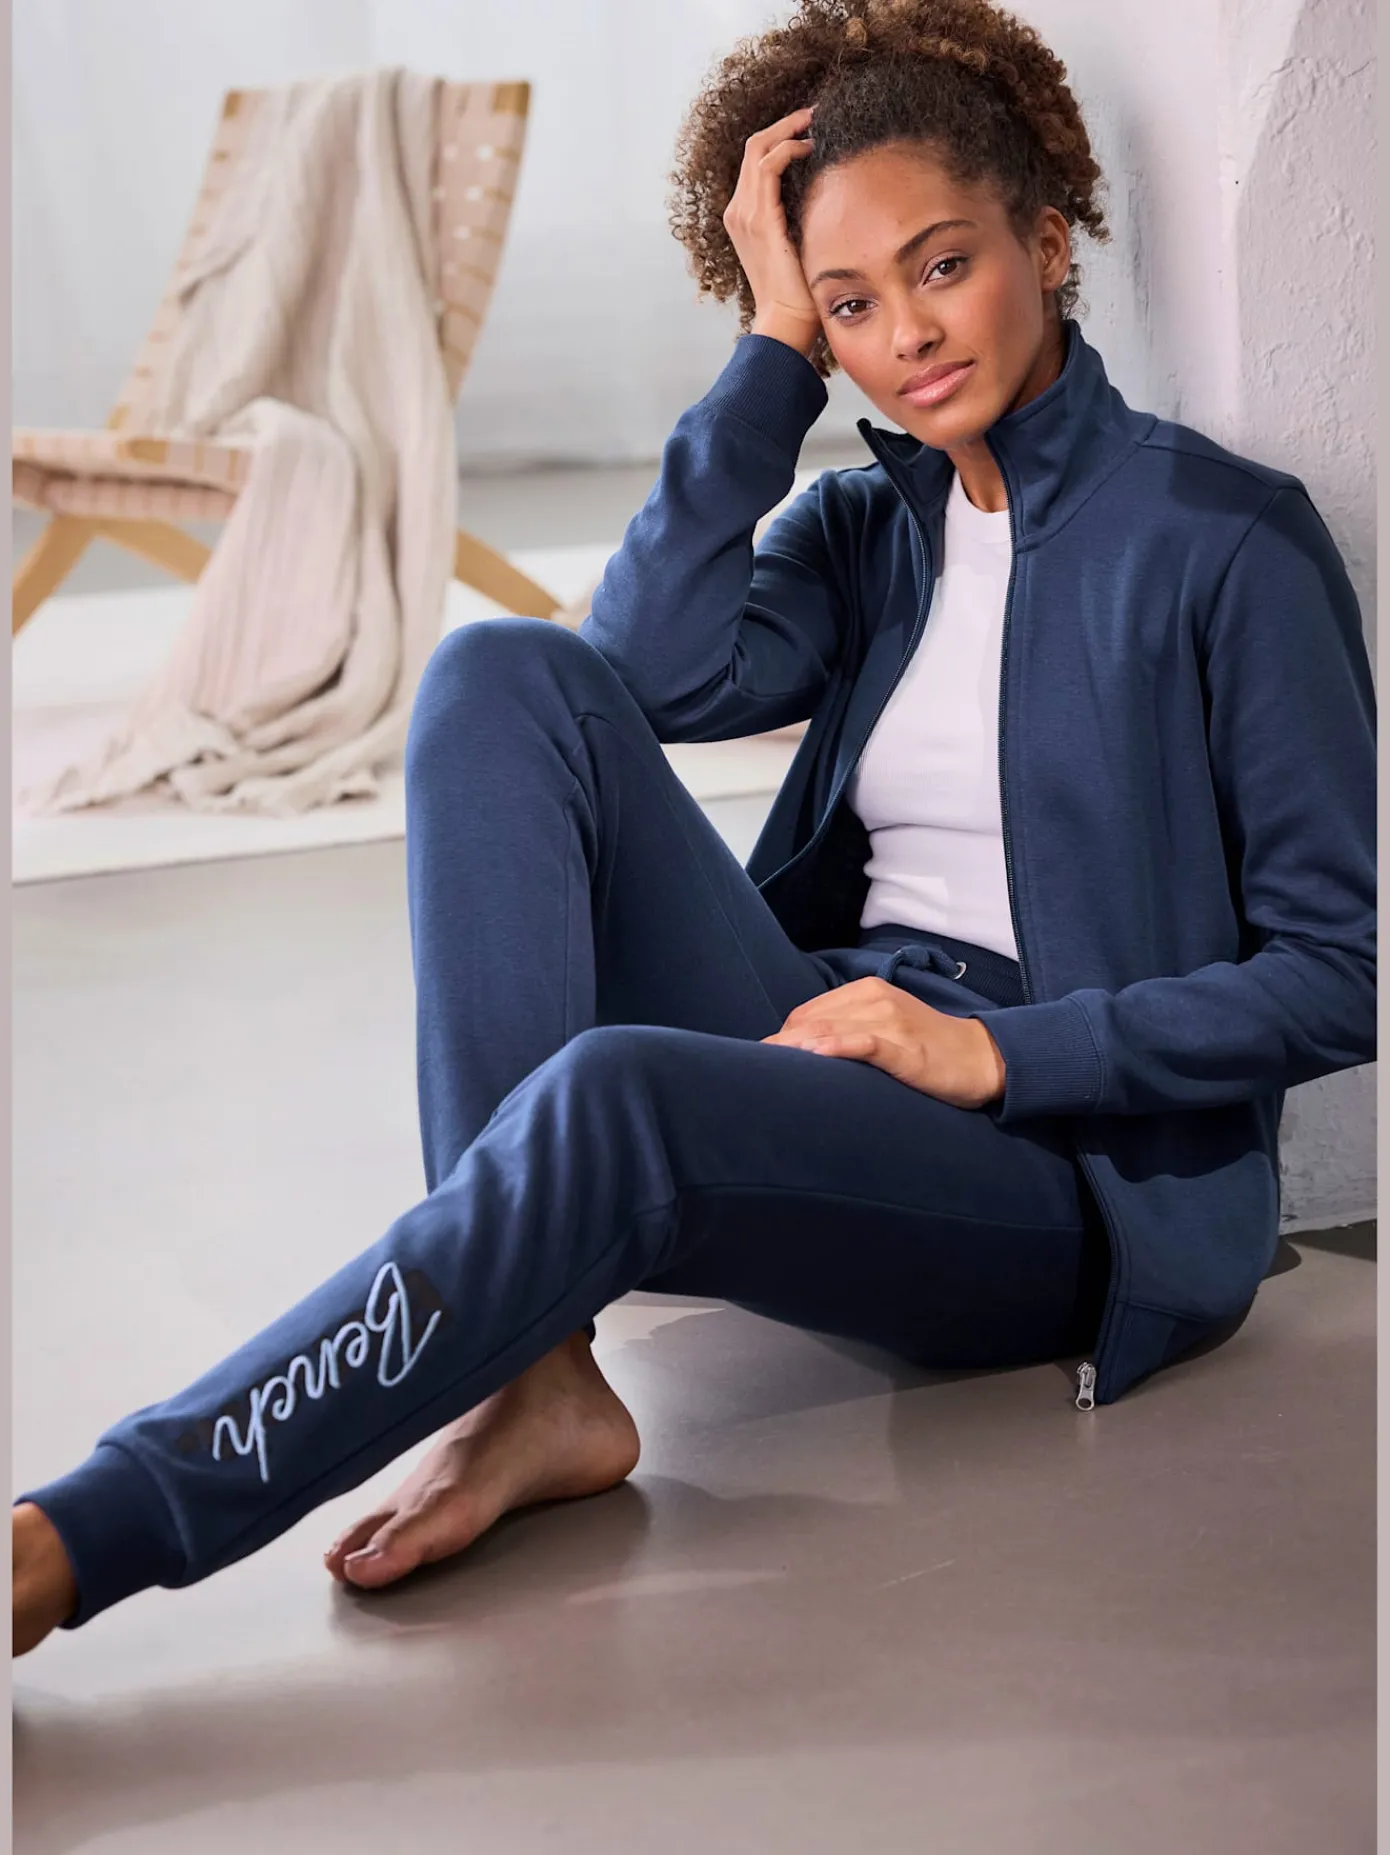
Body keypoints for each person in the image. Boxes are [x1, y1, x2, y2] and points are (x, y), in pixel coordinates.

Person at [13, 0, 1375, 1657]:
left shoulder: (1224, 542)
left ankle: (76, 1539)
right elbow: (641, 669)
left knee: (619, 1094)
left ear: (1044, 237)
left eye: (942, 267)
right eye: (849, 304)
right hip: (833, 1028)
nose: (905, 336)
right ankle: (534, 1369)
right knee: (497, 673)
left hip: (1061, 1167)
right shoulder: (870, 525)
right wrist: (768, 352)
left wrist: (992, 1054)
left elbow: (1343, 970)